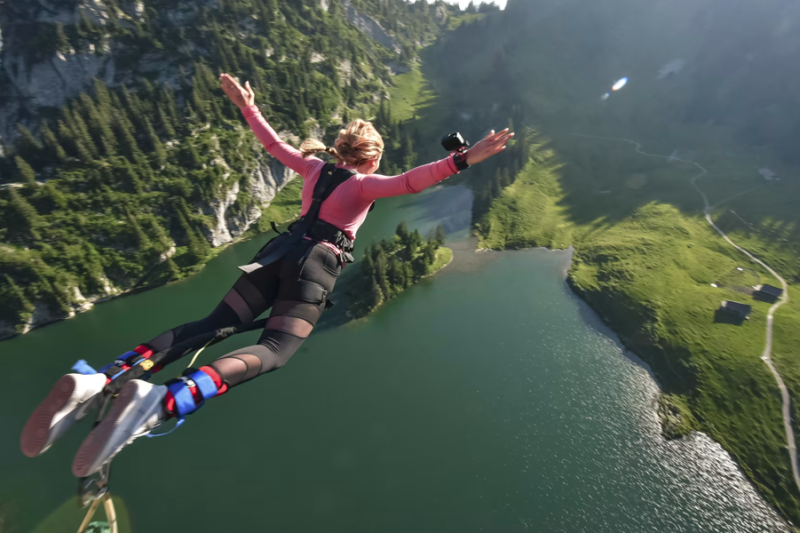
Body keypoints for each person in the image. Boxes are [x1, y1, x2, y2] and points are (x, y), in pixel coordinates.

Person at [21, 74, 514, 477]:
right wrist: (465, 158)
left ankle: (100, 381)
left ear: (339, 149)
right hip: (315, 265)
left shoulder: (312, 168)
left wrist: (246, 105)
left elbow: (271, 142)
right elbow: (411, 181)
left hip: (275, 252)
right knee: (276, 349)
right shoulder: (365, 185)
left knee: (211, 322)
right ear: (371, 157)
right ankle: (163, 401)